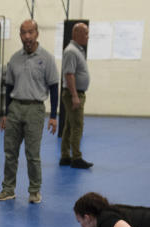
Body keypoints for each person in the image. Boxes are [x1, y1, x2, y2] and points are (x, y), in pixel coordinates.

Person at [0, 20, 59, 204]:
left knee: (32, 154)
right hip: (15, 107)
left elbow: (54, 87)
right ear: (20, 35)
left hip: (35, 108)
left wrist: (53, 116)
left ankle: (34, 191)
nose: (27, 37)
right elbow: (9, 88)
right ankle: (8, 189)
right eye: (23, 33)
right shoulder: (14, 58)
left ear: (37, 33)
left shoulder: (46, 58)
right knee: (10, 152)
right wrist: (6, 114)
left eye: (30, 32)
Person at [60, 22, 91, 169]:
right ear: (76, 34)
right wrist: (74, 96)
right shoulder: (71, 51)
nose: (87, 36)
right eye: (85, 33)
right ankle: (76, 157)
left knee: (69, 126)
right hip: (74, 93)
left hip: (76, 92)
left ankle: (65, 156)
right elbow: (69, 74)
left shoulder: (78, 50)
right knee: (77, 125)